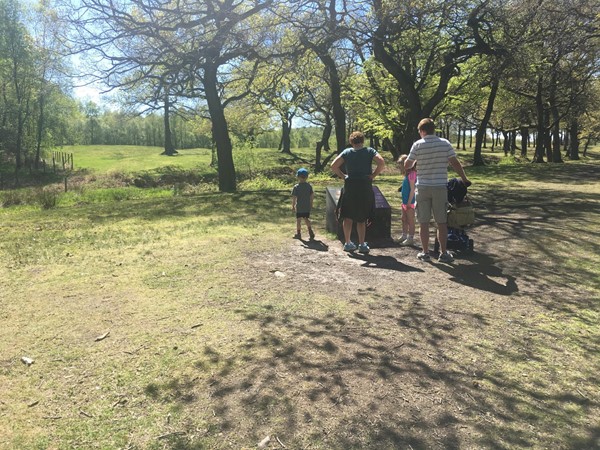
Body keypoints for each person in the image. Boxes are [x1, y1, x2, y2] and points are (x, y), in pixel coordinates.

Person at [405, 118, 471, 263]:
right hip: (440, 187)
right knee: (441, 222)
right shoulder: (445, 143)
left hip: (422, 187)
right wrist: (464, 178)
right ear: (433, 129)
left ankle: (425, 252)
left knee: (423, 222)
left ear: (422, 131)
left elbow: (407, 164)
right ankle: (444, 253)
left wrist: (416, 162)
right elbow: (455, 163)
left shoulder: (417, 145)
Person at [331, 131, 386, 254]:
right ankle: (362, 244)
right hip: (364, 185)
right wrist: (373, 175)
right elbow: (381, 162)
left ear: (351, 142)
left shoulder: (346, 152)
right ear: (363, 140)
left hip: (350, 186)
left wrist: (343, 176)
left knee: (347, 215)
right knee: (362, 217)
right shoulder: (370, 151)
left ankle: (348, 242)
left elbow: (333, 166)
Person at [397, 154, 416, 246]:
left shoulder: (412, 174)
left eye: (402, 164)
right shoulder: (406, 175)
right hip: (404, 201)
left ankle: (410, 238)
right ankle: (404, 235)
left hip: (410, 202)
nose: (401, 167)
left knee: (410, 220)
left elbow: (413, 189)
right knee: (404, 219)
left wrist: (409, 202)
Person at [291, 167, 315, 240]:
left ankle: (298, 233)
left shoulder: (296, 187)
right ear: (307, 177)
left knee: (298, 220)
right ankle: (310, 230)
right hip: (306, 206)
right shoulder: (309, 186)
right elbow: (311, 196)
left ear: (298, 177)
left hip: (300, 206)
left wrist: (293, 206)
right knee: (306, 218)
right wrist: (311, 204)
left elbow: (294, 197)